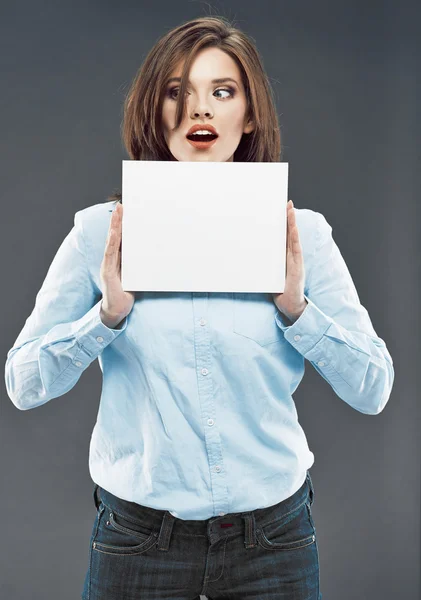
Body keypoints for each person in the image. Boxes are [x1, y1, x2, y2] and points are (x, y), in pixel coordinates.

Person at [4, 15, 394, 600]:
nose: (200, 110)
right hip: (138, 542)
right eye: (177, 91)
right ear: (153, 109)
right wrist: (105, 318)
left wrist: (298, 310)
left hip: (275, 542)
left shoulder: (301, 236)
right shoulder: (100, 234)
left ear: (251, 112)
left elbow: (374, 389)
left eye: (222, 91)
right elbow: (23, 384)